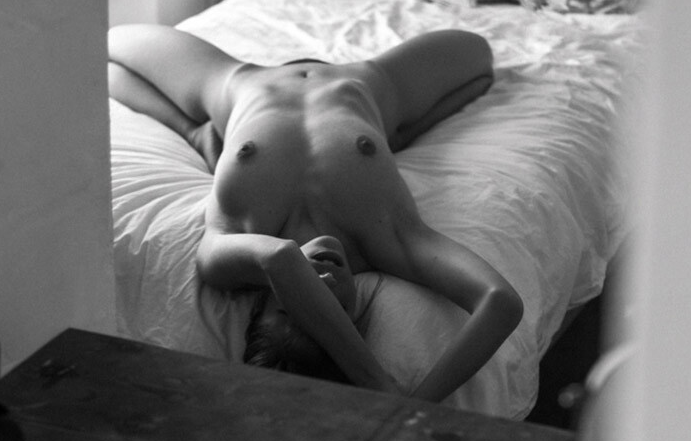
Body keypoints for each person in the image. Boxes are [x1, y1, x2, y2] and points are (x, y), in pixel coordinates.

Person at [107, 24, 522, 402]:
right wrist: (415, 405)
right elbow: (500, 301)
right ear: (352, 320)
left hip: (236, 81)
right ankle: (397, 134)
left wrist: (373, 381)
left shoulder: (226, 257)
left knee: (110, 39)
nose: (320, 279)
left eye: (294, 302)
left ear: (263, 299)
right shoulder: (386, 239)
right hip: (371, 82)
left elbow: (281, 258)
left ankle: (199, 136)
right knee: (477, 54)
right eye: (331, 309)